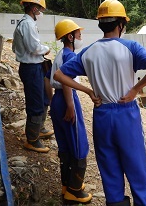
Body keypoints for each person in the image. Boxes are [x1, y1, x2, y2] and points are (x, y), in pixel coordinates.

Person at [54, 0, 146, 206]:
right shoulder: (130, 47)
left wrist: (87, 90)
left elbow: (59, 75)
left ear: (101, 24)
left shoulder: (88, 51)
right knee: (136, 165)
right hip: (126, 112)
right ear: (121, 24)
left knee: (109, 167)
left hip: (102, 114)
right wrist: (135, 90)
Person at [49, 19, 92, 204]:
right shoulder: (69, 55)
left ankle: (67, 184)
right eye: (79, 35)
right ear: (70, 36)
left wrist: (53, 102)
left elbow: (46, 79)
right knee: (78, 144)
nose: (81, 38)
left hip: (57, 99)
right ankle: (74, 190)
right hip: (67, 99)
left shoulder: (59, 54)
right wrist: (70, 105)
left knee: (65, 145)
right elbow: (65, 79)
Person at [12, 0, 53, 153]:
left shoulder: (27, 23)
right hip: (31, 68)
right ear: (34, 8)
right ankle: (32, 140)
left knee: (43, 97)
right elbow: (34, 48)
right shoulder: (27, 24)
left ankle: (39, 128)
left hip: (35, 67)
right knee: (35, 102)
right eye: (40, 9)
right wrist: (46, 49)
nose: (41, 12)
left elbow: (16, 47)